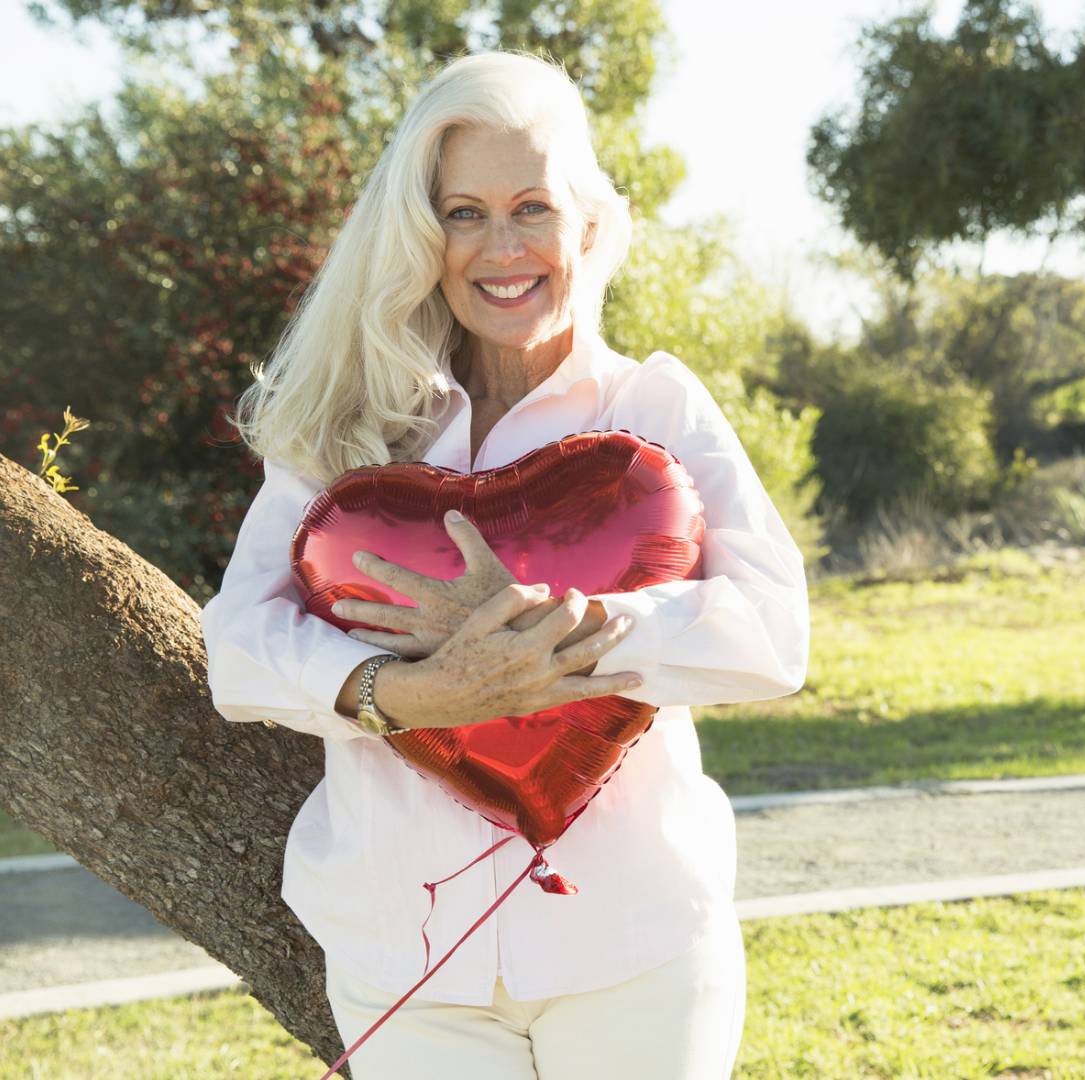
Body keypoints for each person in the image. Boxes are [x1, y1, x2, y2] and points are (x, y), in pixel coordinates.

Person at [198, 49, 809, 1079]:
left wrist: (548, 622)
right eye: (464, 213)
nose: (500, 247)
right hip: (405, 964)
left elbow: (772, 632)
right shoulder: (349, 420)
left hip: (636, 953)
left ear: (590, 224)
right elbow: (239, 649)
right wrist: (399, 693)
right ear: (421, 234)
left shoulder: (652, 410)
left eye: (531, 207)